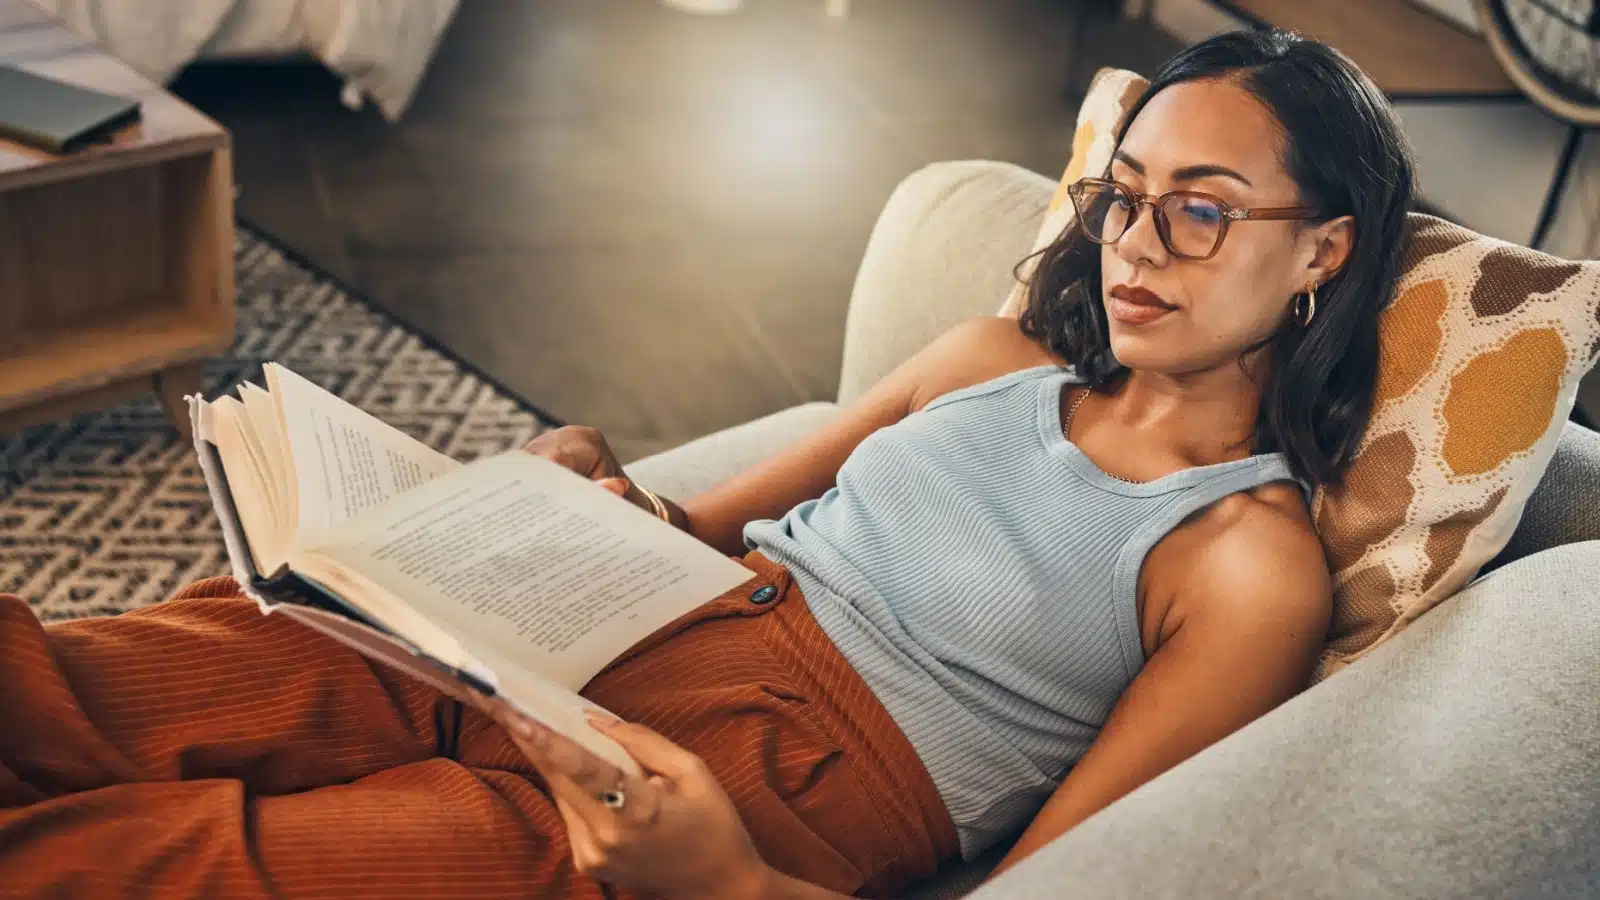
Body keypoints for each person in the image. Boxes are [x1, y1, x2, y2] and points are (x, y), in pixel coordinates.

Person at [0, 28, 1415, 900]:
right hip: (600, 618)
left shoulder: (1244, 563)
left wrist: (732, 884)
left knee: (171, 867)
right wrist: (583, 492)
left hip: (742, 785)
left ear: (1322, 251)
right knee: (115, 676)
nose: (1136, 247)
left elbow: (1050, 889)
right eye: (1125, 200)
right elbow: (702, 522)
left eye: (1203, 213)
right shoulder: (997, 358)